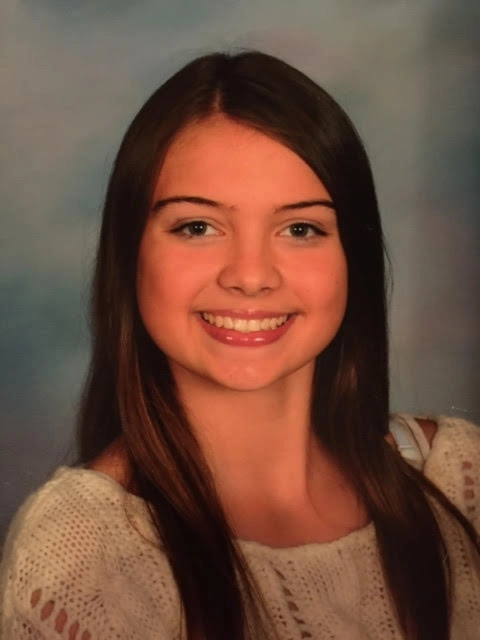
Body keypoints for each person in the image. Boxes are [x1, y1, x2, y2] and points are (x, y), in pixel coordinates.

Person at [0, 51, 479, 640]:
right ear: (130, 257)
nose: (251, 275)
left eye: (301, 229)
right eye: (197, 227)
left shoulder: (463, 480)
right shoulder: (84, 554)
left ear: (351, 256)